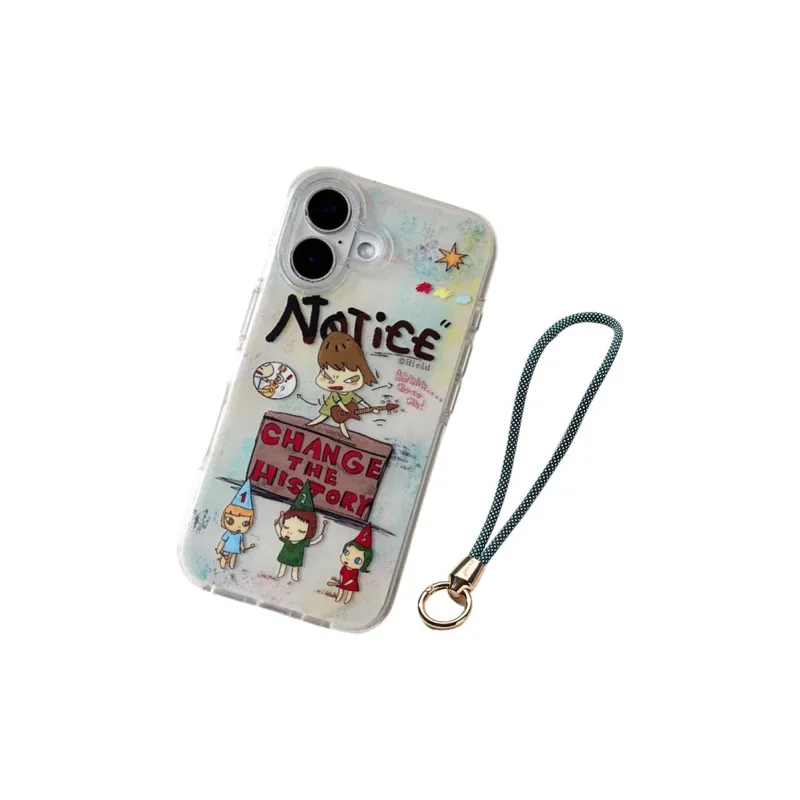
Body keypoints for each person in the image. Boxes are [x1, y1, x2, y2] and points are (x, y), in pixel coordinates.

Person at [306, 331, 378, 438]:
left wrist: (371, 408)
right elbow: (338, 402)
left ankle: (345, 434)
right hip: (331, 406)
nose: (336, 383)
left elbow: (360, 401)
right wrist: (344, 409)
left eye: (350, 380)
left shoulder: (350, 394)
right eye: (327, 376)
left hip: (342, 411)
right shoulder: (335, 394)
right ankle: (310, 424)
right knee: (323, 416)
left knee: (342, 421)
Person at [275, 480, 325, 581]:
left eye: (300, 531)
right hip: (285, 556)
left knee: (295, 567)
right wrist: (277, 523)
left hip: (296, 559)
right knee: (283, 564)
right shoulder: (287, 540)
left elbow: (313, 542)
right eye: (286, 527)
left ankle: (294, 575)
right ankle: (281, 572)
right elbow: (279, 532)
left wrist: (321, 535)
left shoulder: (302, 542)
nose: (290, 532)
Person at [328, 523, 373, 604]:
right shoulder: (344, 568)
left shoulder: (355, 571)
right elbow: (341, 574)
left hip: (350, 584)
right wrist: (341, 581)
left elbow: (353, 579)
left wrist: (346, 583)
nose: (348, 559)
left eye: (357, 560)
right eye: (346, 552)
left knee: (349, 591)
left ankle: (347, 600)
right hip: (343, 582)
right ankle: (338, 598)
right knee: (341, 589)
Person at [215, 480, 255, 569]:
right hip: (227, 548)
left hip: (235, 549)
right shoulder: (228, 533)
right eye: (230, 521)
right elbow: (222, 541)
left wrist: (243, 548)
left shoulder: (240, 535)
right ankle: (223, 564)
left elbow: (241, 542)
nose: (238, 527)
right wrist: (219, 548)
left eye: (245, 523)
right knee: (225, 555)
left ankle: (231, 565)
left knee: (233, 557)